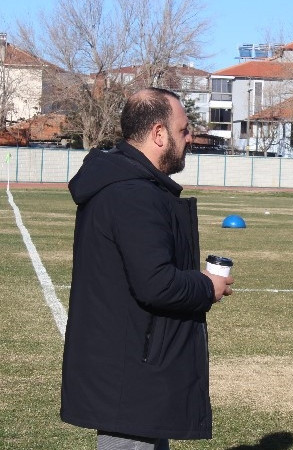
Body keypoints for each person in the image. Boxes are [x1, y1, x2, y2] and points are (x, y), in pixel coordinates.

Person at [61, 88, 235, 449]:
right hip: (131, 378)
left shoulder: (130, 187)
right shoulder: (132, 194)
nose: (189, 138)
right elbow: (155, 283)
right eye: (183, 130)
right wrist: (207, 287)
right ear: (159, 134)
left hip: (138, 372)